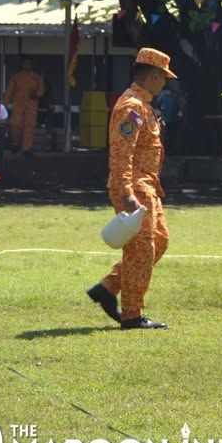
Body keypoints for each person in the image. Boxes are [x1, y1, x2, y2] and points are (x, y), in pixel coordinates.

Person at [87, 48, 177, 330]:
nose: (164, 83)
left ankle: (108, 287)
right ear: (153, 76)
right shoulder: (133, 107)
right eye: (163, 78)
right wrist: (125, 191)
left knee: (158, 241)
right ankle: (132, 314)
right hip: (135, 187)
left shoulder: (142, 104)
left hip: (147, 185)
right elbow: (121, 153)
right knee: (141, 250)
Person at [4, 57, 46, 156]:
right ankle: (16, 144)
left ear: (32, 65)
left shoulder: (37, 77)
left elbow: (42, 90)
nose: (27, 65)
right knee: (15, 124)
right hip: (18, 105)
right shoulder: (16, 77)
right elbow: (9, 91)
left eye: (29, 63)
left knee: (29, 126)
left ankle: (27, 148)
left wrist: (36, 94)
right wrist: (4, 104)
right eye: (25, 63)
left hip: (31, 106)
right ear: (22, 65)